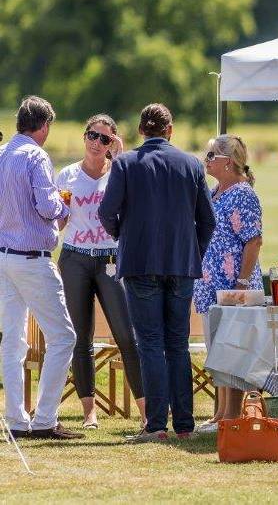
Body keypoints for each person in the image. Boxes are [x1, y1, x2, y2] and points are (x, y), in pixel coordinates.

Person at [99, 104, 216, 442]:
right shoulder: (192, 164)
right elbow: (207, 221)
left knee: (150, 342)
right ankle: (184, 425)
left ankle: (155, 426)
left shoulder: (124, 163)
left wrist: (123, 234)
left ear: (141, 131)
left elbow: (106, 212)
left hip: (139, 262)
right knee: (177, 343)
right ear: (170, 130)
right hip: (181, 265)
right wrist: (192, 250)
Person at [56, 114, 147, 429]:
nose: (97, 143)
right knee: (81, 337)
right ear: (85, 137)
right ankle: (89, 414)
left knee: (126, 335)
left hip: (111, 260)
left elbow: (138, 206)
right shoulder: (66, 175)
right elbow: (59, 222)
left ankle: (147, 415)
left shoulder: (121, 174)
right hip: (75, 260)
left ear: (113, 144)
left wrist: (122, 159)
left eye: (105, 139)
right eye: (93, 135)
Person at [0, 96, 82, 440]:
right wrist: (66, 205)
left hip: (4, 256)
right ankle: (45, 418)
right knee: (64, 337)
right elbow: (47, 206)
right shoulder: (36, 155)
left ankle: (16, 419)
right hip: (32, 257)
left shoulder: (3, 152)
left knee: (13, 341)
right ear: (44, 126)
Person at [192, 135, 263, 433]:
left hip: (234, 286)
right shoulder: (215, 192)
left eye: (211, 155)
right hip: (211, 286)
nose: (206, 160)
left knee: (231, 351)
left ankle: (231, 416)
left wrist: (243, 282)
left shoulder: (243, 194)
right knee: (217, 351)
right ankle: (220, 414)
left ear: (228, 161)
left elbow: (253, 240)